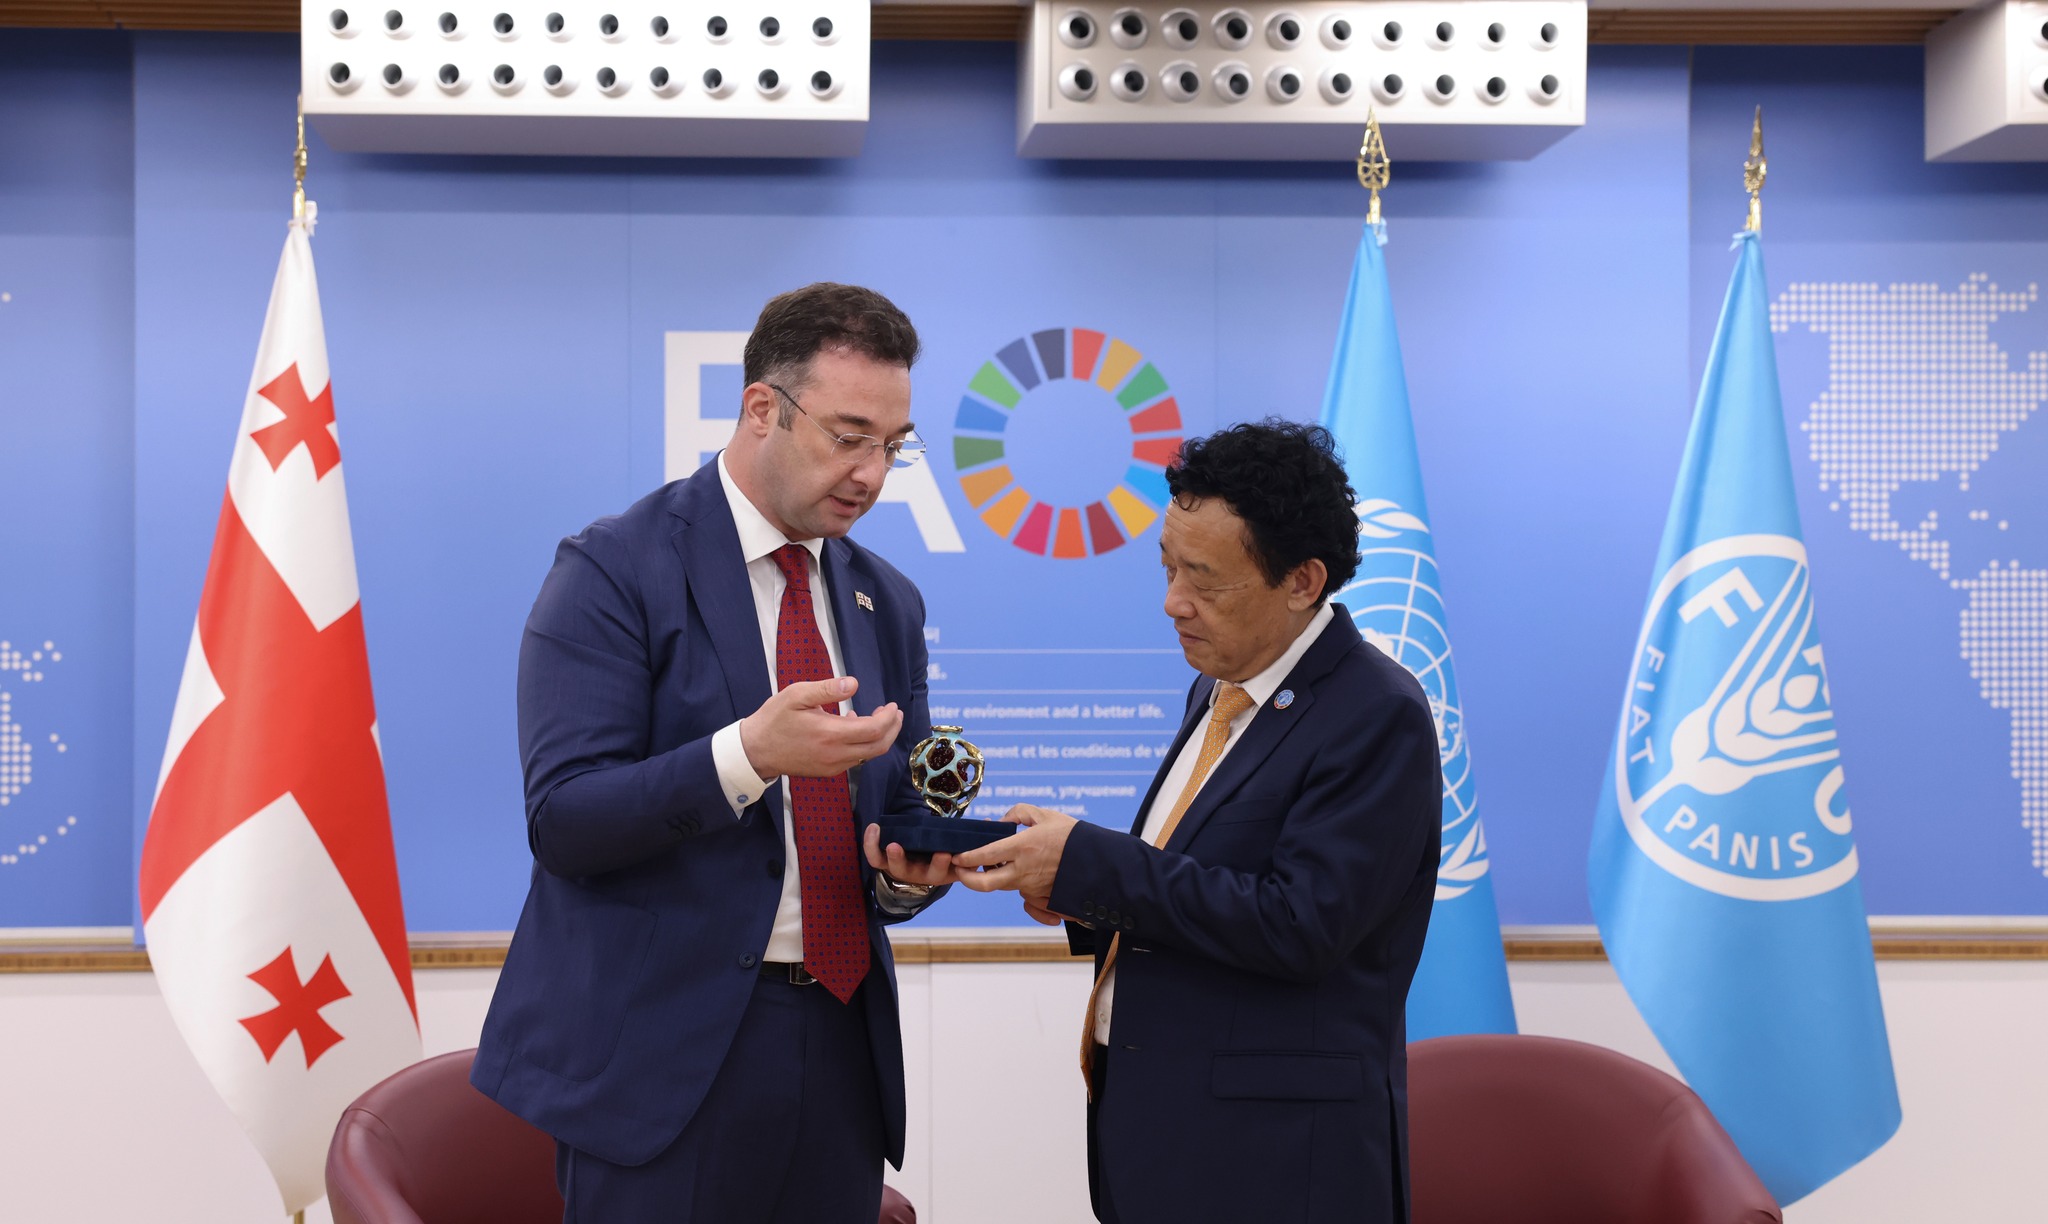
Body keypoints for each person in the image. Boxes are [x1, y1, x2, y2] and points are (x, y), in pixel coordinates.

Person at [472, 283, 954, 1223]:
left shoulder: (886, 599)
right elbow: (565, 820)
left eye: (893, 446)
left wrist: (908, 874)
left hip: (841, 1043)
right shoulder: (614, 569)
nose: (870, 473)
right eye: (848, 437)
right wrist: (748, 756)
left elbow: (893, 807)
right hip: (659, 1061)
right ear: (762, 408)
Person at [954, 419, 1442, 1224]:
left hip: (1278, 1167)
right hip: (1165, 1142)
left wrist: (1090, 862)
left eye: (1205, 582)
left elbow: (1301, 926)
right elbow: (1205, 884)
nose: (1172, 602)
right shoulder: (1216, 686)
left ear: (1303, 581)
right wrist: (1073, 889)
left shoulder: (1375, 714)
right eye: (1167, 567)